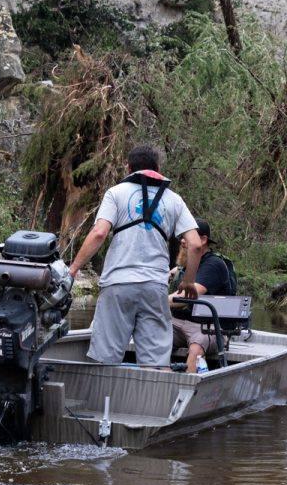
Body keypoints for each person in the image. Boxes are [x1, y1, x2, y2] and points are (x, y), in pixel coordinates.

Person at [68, 145, 204, 366]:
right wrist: (188, 281)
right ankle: (155, 399)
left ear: (129, 168)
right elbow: (196, 245)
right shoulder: (174, 200)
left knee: (105, 359)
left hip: (117, 284)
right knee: (155, 364)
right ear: (158, 168)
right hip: (154, 287)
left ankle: (104, 400)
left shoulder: (116, 193)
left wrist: (73, 269)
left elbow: (99, 232)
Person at [170, 220, 235, 372]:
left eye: (187, 237)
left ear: (203, 240)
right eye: (182, 237)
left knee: (196, 347)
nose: (182, 241)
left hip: (208, 327)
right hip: (177, 323)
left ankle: (188, 389)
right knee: (152, 334)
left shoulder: (214, 265)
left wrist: (155, 303)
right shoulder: (184, 266)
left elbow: (188, 296)